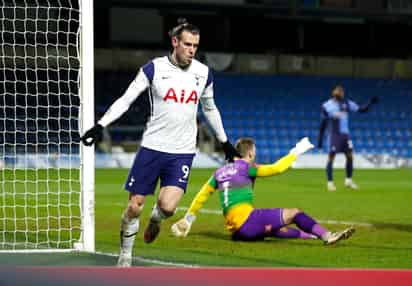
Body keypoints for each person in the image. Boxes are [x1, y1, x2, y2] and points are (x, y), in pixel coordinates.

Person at [80, 18, 240, 267]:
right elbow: (126, 99)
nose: (192, 50)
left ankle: (155, 220)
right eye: (187, 44)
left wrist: (225, 141)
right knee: (134, 206)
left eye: (195, 45)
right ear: (175, 42)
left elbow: (210, 109)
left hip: (183, 153)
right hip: (152, 148)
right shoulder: (153, 69)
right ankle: (125, 256)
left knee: (167, 207)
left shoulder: (203, 74)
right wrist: (101, 124)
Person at [171, 137, 355, 245]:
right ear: (249, 153)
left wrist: (188, 218)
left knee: (274, 229)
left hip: (237, 233)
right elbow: (276, 169)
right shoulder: (247, 167)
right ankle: (327, 236)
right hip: (248, 222)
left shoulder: (218, 172)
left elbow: (202, 195)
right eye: (254, 152)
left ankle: (311, 235)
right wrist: (295, 152)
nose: (255, 155)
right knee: (296, 214)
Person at [317, 85, 378, 192]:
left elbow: (361, 110)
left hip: (345, 135)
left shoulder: (347, 104)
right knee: (331, 157)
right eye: (338, 91)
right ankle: (330, 183)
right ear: (334, 93)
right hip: (334, 135)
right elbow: (323, 123)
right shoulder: (327, 105)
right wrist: (320, 139)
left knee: (350, 157)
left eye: (341, 91)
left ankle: (348, 181)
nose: (340, 93)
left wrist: (370, 102)